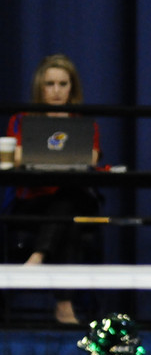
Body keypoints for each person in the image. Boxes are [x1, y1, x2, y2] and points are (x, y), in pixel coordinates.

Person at [5, 53, 101, 324]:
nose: (57, 91)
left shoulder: (83, 121)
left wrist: (40, 156)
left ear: (73, 87)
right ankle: (65, 307)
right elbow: (15, 155)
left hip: (71, 197)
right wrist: (61, 158)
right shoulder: (22, 119)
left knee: (68, 199)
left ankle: (37, 257)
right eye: (50, 84)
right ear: (40, 87)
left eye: (63, 84)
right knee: (67, 215)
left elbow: (91, 157)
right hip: (32, 202)